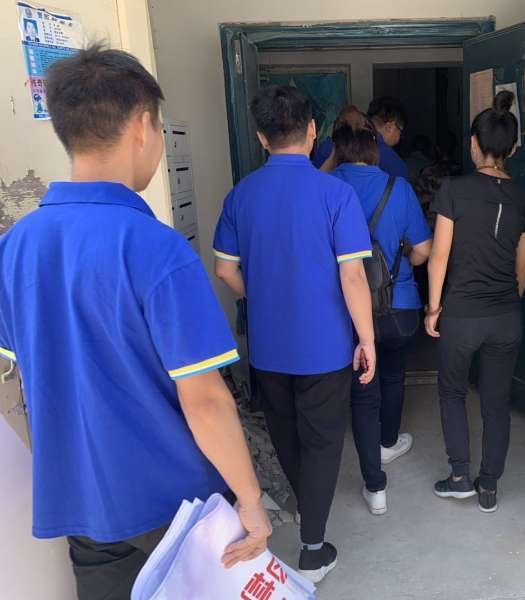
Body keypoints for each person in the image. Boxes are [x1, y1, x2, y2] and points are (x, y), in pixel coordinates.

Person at [0, 45, 270, 600]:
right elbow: (205, 399)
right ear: (143, 125)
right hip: (172, 504)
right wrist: (250, 500)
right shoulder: (157, 249)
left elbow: (20, 376)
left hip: (82, 503)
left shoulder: (16, 246)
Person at [213, 85, 376, 583]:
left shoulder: (241, 195)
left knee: (286, 434)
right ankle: (313, 546)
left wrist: (262, 297)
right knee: (323, 441)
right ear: (312, 132)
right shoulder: (336, 194)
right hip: (326, 347)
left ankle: (306, 508)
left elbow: (224, 269)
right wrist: (367, 339)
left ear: (262, 138)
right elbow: (352, 275)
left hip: (268, 348)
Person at [425, 90, 525, 514]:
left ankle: (459, 477)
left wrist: (433, 309)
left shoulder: (454, 190)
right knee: (496, 402)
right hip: (505, 315)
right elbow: (523, 264)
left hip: (461, 315)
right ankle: (489, 485)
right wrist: (507, 302)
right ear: (512, 149)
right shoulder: (523, 196)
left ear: (474, 144)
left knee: (453, 393)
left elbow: (439, 257)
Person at [328, 108, 432, 516]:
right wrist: (402, 254)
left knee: (362, 392)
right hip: (398, 305)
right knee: (392, 374)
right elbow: (423, 251)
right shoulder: (398, 187)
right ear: (375, 149)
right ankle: (388, 442)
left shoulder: (327, 186)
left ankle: (376, 486)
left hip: (347, 309)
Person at [314, 96, 408, 178]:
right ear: (390, 127)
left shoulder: (328, 146)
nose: (400, 137)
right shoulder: (395, 165)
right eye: (400, 131)